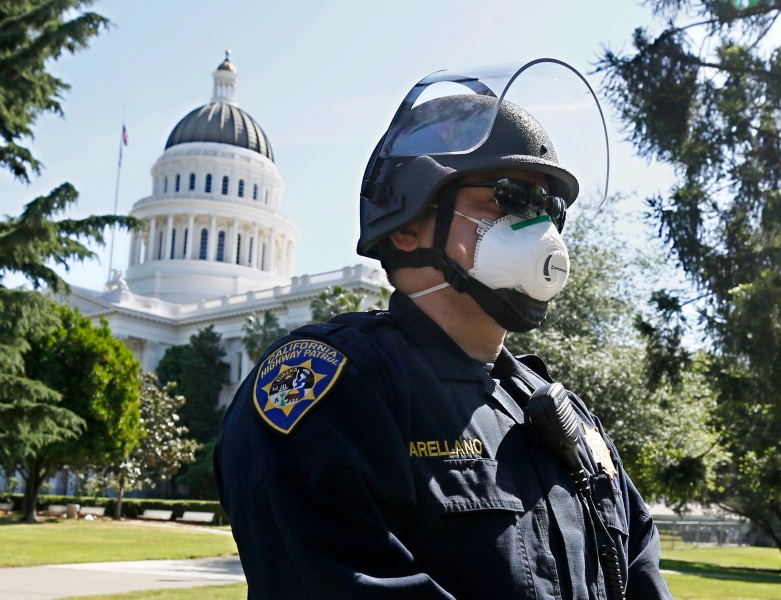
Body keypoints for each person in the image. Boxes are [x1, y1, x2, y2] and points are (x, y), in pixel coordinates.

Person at [214, 62, 673, 599]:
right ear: (408, 225)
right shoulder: (333, 390)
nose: (542, 228)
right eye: (508, 196)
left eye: (550, 208)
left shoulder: (565, 419)